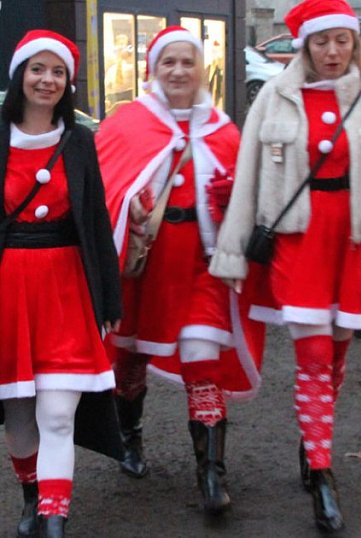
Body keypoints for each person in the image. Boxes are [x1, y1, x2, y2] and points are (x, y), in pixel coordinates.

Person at [209, 0, 361, 531]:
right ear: (304, 45)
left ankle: (312, 439)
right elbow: (249, 177)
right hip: (297, 247)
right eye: (321, 42)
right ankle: (324, 476)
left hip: (355, 246)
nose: (331, 52)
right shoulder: (275, 99)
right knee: (315, 357)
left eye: (341, 41)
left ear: (355, 45)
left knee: (338, 356)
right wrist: (232, 249)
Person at [95, 26, 266, 515]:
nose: (178, 71)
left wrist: (232, 200)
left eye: (187, 62)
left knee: (201, 358)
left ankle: (211, 472)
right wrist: (132, 206)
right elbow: (106, 192)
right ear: (154, 69)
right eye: (168, 62)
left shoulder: (223, 128)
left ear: (200, 68)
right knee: (128, 359)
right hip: (143, 267)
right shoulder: (127, 124)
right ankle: (130, 436)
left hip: (201, 266)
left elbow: (249, 199)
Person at [0, 30, 123, 536]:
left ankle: (53, 521)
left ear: (68, 83)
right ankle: (33, 495)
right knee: (20, 417)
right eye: (37, 69)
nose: (46, 80)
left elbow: (96, 221)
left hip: (67, 290)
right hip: (8, 292)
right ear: (19, 75)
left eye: (57, 72)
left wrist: (110, 296)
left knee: (56, 415)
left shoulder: (80, 142)